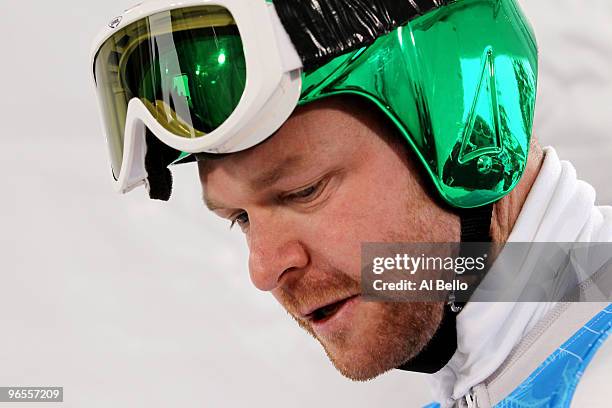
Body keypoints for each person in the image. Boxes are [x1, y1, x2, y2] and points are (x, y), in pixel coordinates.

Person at [91, 0, 612, 406]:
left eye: (304, 191)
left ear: (474, 140)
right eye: (241, 219)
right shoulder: (511, 372)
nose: (266, 268)